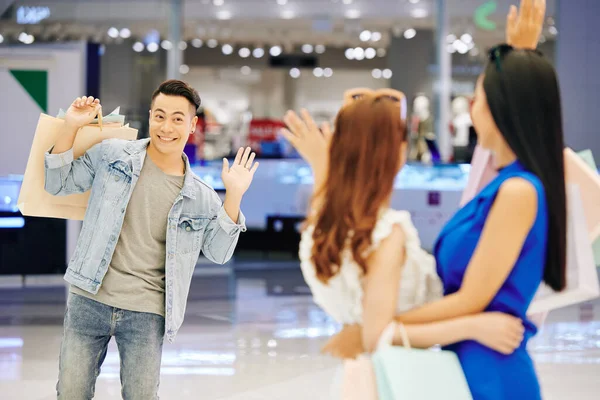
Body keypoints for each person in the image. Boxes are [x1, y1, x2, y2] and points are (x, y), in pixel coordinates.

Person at [285, 1, 560, 399]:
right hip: (448, 364)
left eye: (478, 98)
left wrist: (375, 327)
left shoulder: (516, 190)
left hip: (486, 370)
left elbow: (472, 298)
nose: (469, 107)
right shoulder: (492, 190)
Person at [282, 94, 526, 396]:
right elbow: (378, 334)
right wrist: (473, 326)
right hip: (394, 379)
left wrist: (322, 164)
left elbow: (366, 325)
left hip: (357, 378)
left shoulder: (323, 226)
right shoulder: (386, 233)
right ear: (395, 152)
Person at [44, 80, 258, 399]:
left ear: (192, 124)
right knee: (71, 393)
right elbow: (57, 183)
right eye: (159, 116)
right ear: (149, 116)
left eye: (176, 118)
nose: (166, 127)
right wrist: (71, 127)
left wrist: (235, 195)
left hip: (146, 311)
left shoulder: (200, 195)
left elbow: (218, 253)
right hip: (89, 297)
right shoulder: (113, 154)